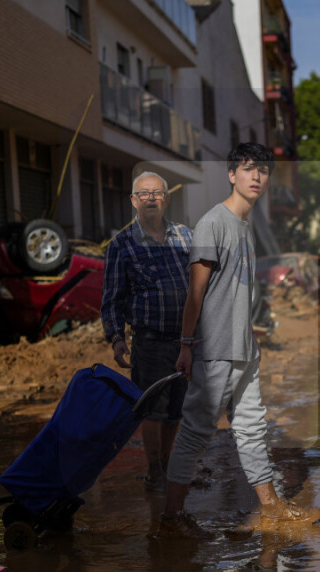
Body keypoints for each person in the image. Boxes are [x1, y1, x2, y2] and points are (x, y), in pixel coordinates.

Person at [155, 142, 320, 538]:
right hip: (215, 349)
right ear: (232, 175)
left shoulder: (245, 227)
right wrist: (186, 345)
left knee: (251, 427)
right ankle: (170, 520)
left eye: (262, 170)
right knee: (196, 431)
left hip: (243, 347)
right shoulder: (213, 223)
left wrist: (251, 338)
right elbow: (196, 292)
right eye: (248, 169)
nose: (257, 177)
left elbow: (239, 295)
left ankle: (272, 507)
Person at [101, 170, 192, 494]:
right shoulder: (121, 244)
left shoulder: (185, 236)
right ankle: (154, 471)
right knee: (152, 409)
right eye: (144, 193)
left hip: (186, 342)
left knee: (176, 409)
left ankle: (166, 465)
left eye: (157, 193)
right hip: (150, 342)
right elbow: (112, 298)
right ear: (133, 200)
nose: (151, 198)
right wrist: (116, 338)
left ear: (166, 199)